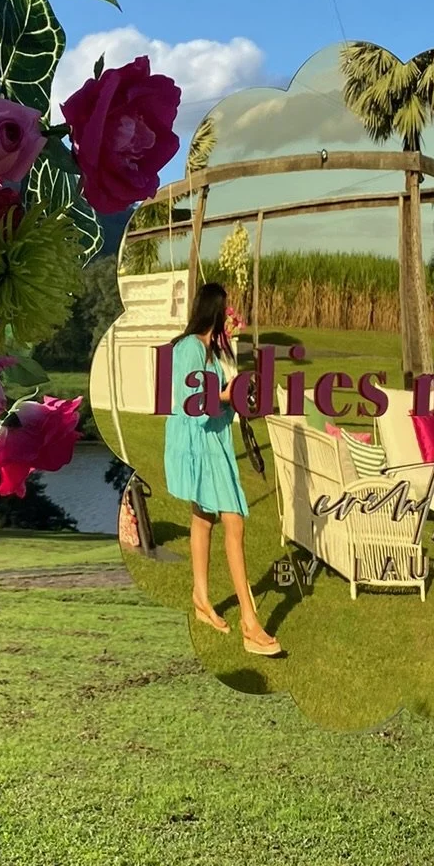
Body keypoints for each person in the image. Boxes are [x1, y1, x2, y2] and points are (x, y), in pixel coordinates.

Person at [162, 281, 282, 657]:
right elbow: (191, 401)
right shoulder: (188, 349)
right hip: (201, 447)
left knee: (204, 519)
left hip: (214, 442)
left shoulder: (209, 352)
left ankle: (201, 599)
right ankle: (250, 623)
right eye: (226, 309)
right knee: (235, 523)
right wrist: (227, 395)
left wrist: (235, 399)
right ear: (216, 310)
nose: (230, 316)